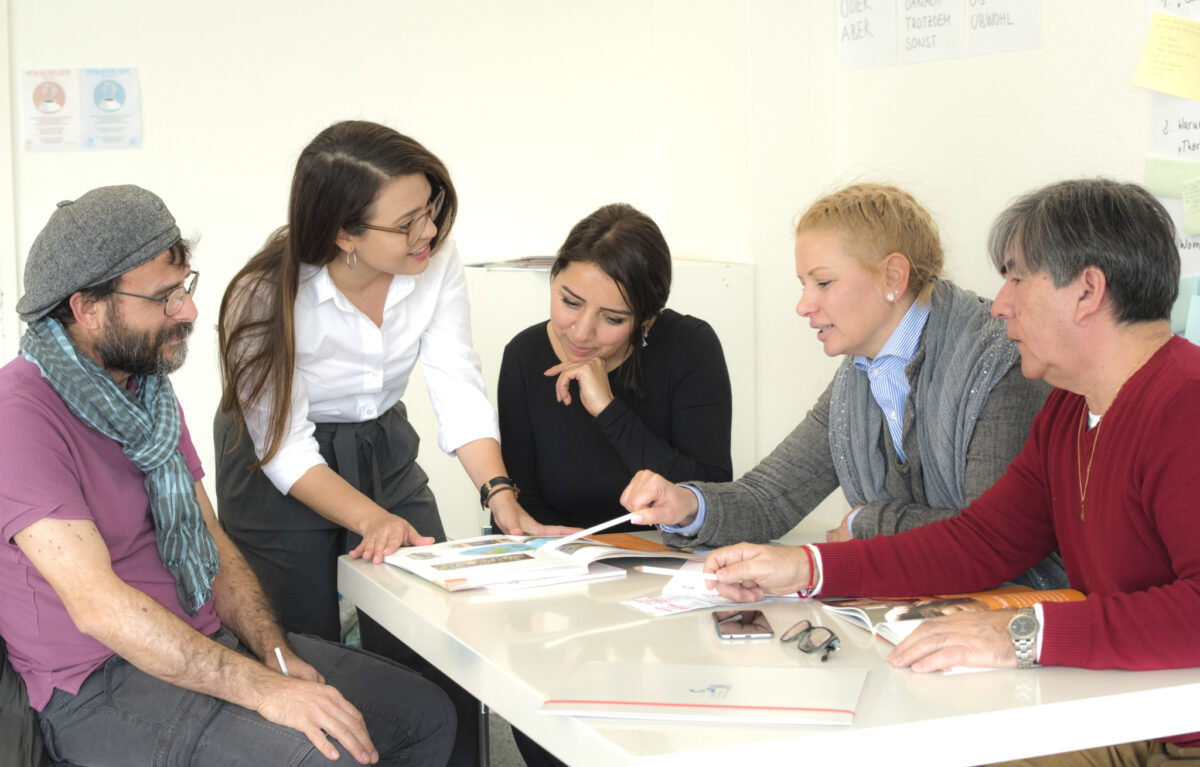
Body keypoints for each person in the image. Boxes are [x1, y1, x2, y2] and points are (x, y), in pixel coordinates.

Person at [641, 178, 1200, 763]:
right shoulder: (1068, 410)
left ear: (1087, 291)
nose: (1001, 302)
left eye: (1016, 278)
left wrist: (1020, 633)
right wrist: (807, 566)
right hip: (1116, 706)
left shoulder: (1185, 404)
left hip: (1168, 725)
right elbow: (982, 542)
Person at [0, 185, 454, 766]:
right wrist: (264, 690)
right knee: (325, 755)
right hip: (99, 683)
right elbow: (98, 606)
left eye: (184, 288)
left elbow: (209, 539)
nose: (188, 312)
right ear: (87, 308)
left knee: (422, 714)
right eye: (164, 298)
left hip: (203, 642)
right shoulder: (20, 414)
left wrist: (272, 653)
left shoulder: (147, 395)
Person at [215, 120, 549, 766]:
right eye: (406, 224)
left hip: (381, 443)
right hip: (275, 460)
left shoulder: (435, 259)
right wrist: (370, 518)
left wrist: (500, 495)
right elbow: (286, 450)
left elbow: (456, 379)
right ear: (344, 233)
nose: (428, 232)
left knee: (437, 627)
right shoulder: (263, 295)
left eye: (431, 210)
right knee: (299, 645)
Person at [627, 183, 1065, 589]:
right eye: (803, 285)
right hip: (927, 611)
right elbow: (770, 497)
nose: (803, 305)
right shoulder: (859, 376)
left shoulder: (999, 366)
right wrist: (686, 504)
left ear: (893, 276)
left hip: (1021, 611)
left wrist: (867, 522)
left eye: (823, 282)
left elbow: (988, 541)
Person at [497, 202, 733, 533]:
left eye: (612, 319)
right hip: (563, 556)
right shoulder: (524, 356)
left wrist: (609, 411)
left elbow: (712, 495)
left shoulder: (690, 347)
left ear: (647, 320)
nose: (581, 332)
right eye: (570, 303)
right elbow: (522, 510)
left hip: (666, 554)